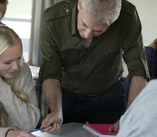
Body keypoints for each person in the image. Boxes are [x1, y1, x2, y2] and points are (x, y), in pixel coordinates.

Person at [39, 0, 149, 134]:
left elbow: (138, 68)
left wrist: (130, 116)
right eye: (84, 24)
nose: (87, 34)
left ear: (112, 23)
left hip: (108, 95)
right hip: (64, 95)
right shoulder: (53, 18)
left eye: (98, 31)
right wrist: (56, 110)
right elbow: (51, 70)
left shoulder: (128, 16)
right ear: (79, 4)